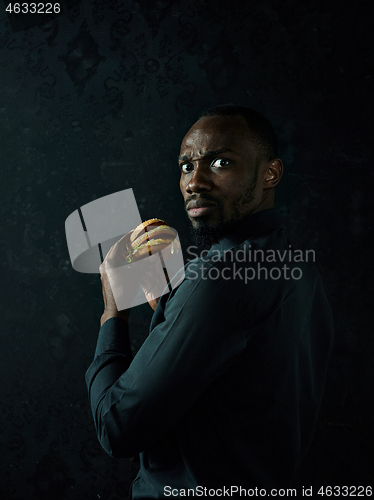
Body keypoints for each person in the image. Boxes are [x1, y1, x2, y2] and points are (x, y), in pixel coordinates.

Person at [86, 105, 334, 499]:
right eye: (186, 166)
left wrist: (112, 308)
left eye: (220, 162)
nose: (194, 182)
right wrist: (172, 307)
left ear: (269, 173)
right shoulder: (294, 263)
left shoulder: (218, 279)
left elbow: (116, 428)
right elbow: (241, 383)